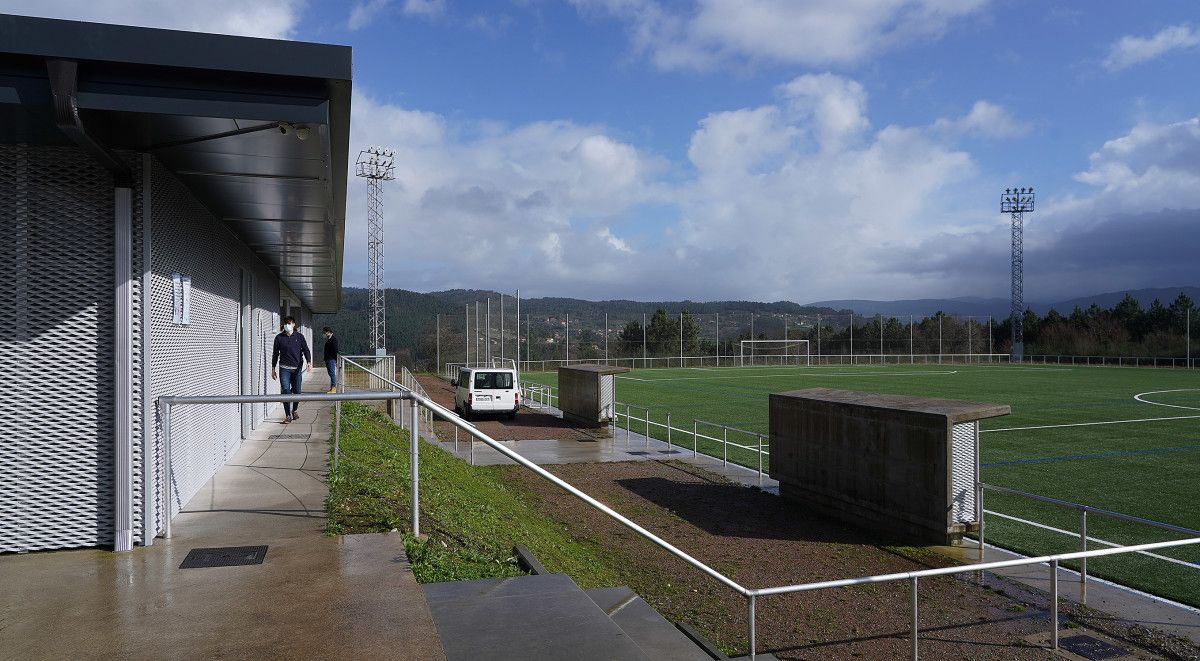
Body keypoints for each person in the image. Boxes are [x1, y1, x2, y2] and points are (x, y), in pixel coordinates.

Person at [271, 316, 312, 423]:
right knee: (285, 390)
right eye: (285, 323)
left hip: (297, 369)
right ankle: (288, 415)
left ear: (294, 324)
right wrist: (273, 368)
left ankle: (294, 410)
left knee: (297, 391)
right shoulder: (279, 338)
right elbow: (275, 354)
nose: (287, 325)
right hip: (284, 368)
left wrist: (308, 362)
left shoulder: (299, 337)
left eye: (289, 323)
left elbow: (306, 350)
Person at [322, 326, 339, 393]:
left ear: (328, 332)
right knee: (330, 373)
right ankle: (332, 388)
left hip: (331, 359)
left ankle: (334, 388)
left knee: (332, 374)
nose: (324, 334)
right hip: (328, 359)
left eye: (324, 332)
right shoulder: (329, 339)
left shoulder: (333, 340)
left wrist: (337, 359)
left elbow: (335, 350)